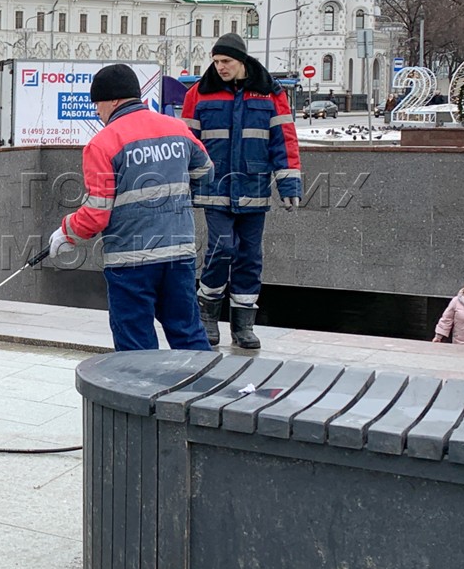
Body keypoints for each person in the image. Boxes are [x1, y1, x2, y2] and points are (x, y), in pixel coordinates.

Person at [50, 63, 212, 352]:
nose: (97, 112)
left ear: (112, 100)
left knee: (136, 346)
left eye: (97, 104)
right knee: (188, 333)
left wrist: (67, 232)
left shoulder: (103, 144)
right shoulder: (177, 129)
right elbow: (205, 172)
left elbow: (97, 213)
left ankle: (143, 397)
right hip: (179, 254)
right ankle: (206, 392)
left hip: (130, 261)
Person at [180, 32, 303, 350]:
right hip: (214, 188)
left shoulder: (270, 93)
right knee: (222, 250)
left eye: (226, 61)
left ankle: (243, 325)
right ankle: (207, 315)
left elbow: (284, 140)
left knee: (249, 256)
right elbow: (187, 145)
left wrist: (289, 183)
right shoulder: (198, 93)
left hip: (253, 186)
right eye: (216, 61)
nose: (220, 67)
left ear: (242, 60)